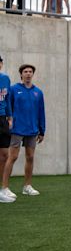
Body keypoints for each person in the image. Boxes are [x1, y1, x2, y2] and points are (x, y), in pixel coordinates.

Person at [2, 64, 45, 197]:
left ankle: (27, 186)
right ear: (21, 74)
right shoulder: (14, 89)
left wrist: (42, 130)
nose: (28, 74)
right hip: (17, 129)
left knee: (30, 157)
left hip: (32, 130)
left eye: (30, 71)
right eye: (25, 71)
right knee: (12, 157)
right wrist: (9, 121)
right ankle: (4, 188)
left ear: (33, 74)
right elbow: (8, 106)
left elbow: (41, 112)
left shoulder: (38, 92)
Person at [0, 55, 14, 203]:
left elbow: (7, 98)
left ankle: (2, 189)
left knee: (4, 155)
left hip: (3, 119)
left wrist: (10, 117)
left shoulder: (5, 78)